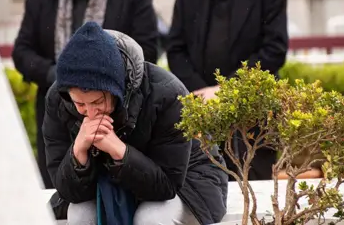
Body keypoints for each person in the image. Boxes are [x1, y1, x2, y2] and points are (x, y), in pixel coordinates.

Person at [12, 0, 159, 188]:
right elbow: (22, 51)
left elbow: (146, 52)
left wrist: (103, 80)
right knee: (60, 186)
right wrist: (61, 79)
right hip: (56, 109)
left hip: (114, 112)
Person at [43, 21, 228, 225]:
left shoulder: (167, 93)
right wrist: (78, 154)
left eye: (97, 102)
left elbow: (166, 185)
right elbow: (67, 190)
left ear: (116, 90)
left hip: (187, 184)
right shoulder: (58, 99)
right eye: (80, 104)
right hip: (105, 183)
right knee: (80, 216)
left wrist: (120, 152)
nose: (91, 112)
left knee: (150, 219)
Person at [166, 0, 288, 181]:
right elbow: (175, 47)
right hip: (201, 107)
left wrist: (226, 90)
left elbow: (274, 51)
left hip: (252, 112)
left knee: (253, 182)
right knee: (203, 179)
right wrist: (200, 93)